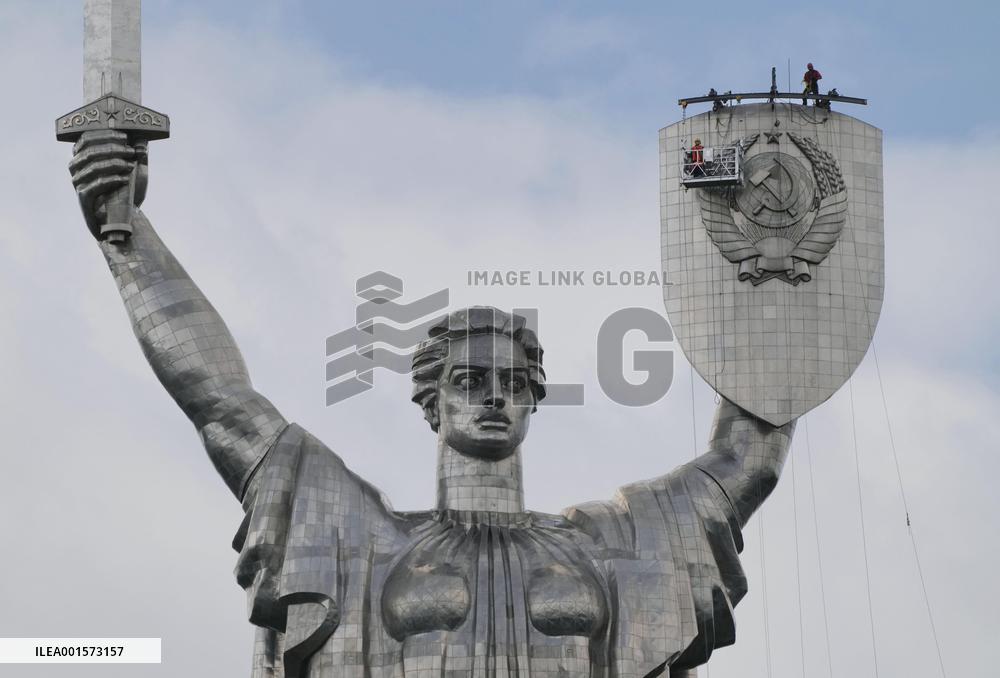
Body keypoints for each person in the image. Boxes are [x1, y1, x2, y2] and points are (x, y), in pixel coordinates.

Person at [68, 130, 796, 677]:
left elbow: (748, 458)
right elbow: (220, 400)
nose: (495, 397)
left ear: (534, 402)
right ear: (431, 400)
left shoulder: (611, 543)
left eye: (514, 384)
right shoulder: (365, 537)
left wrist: (776, 273)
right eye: (469, 381)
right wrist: (124, 235)